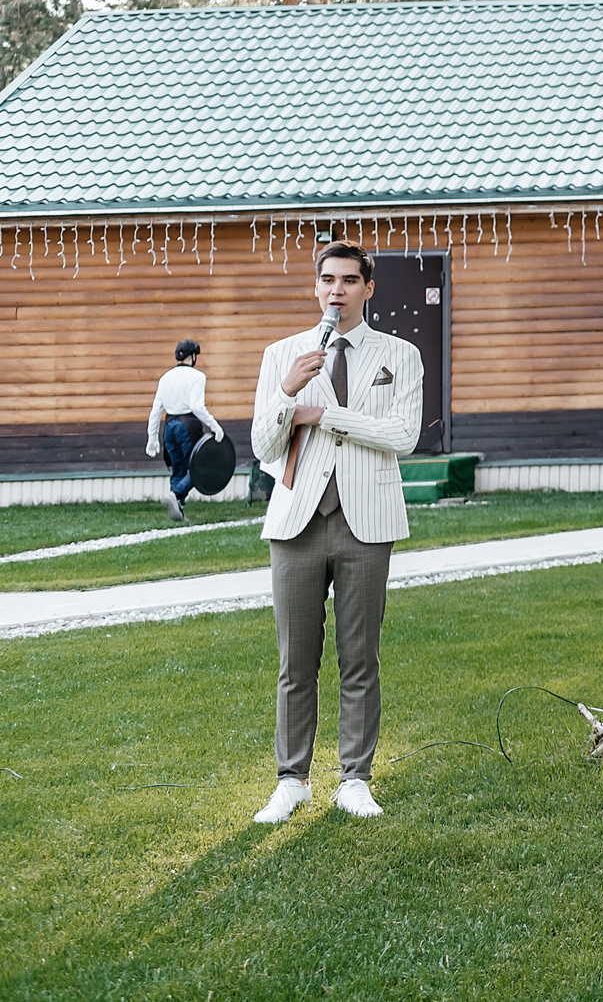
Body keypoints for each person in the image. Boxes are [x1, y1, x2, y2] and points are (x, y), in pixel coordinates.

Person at [249, 242, 423, 825]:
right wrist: (287, 394)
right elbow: (262, 446)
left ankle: (355, 779)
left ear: (368, 289)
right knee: (295, 661)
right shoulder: (282, 355)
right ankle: (291, 780)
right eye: (328, 279)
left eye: (350, 280)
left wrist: (327, 415)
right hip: (297, 521)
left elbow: (402, 436)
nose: (337, 290)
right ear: (315, 286)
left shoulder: (401, 355)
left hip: (366, 520)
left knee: (360, 658)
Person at [144, 339, 223, 524]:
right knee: (198, 467)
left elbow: (155, 411)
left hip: (169, 425)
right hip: (188, 424)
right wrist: (215, 426)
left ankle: (178, 509)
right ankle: (176, 494)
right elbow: (197, 407)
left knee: (177, 468)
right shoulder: (197, 376)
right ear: (193, 356)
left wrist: (152, 437)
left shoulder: (165, 378)